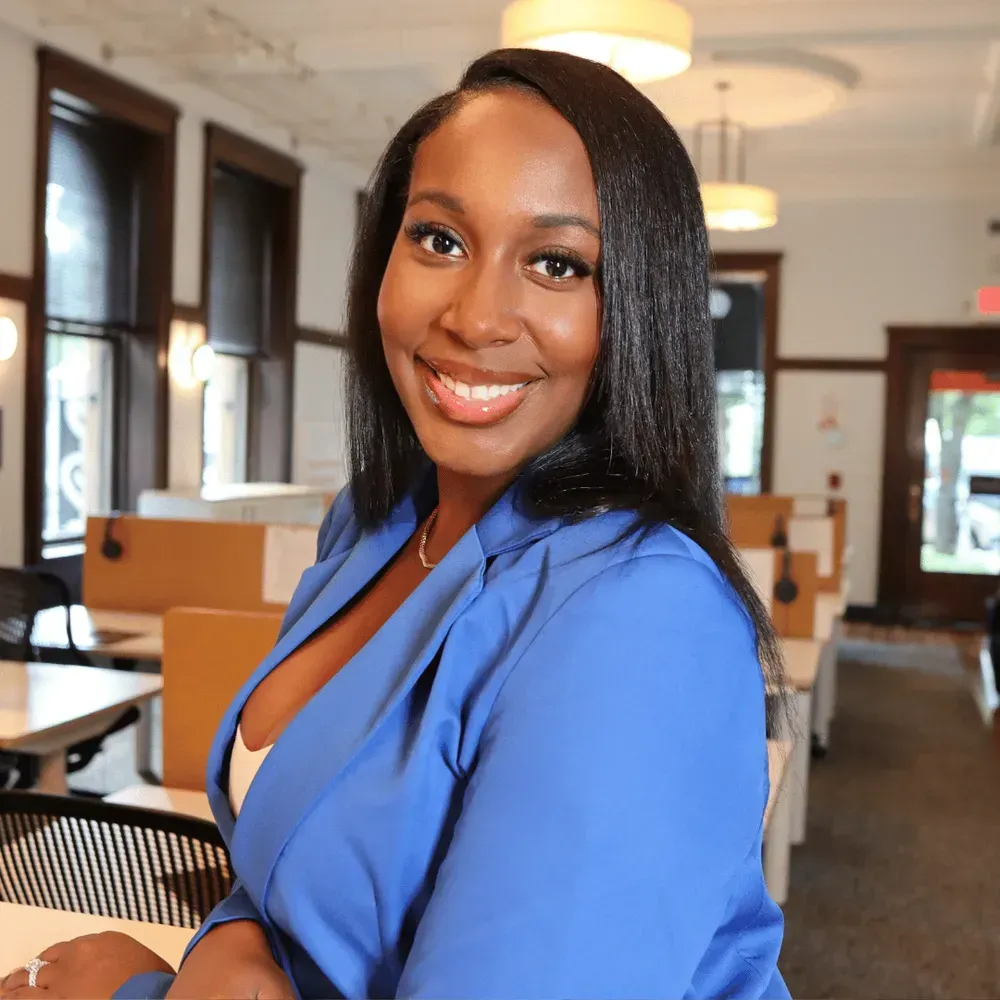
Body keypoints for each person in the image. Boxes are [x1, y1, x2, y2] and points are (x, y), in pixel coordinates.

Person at [1, 47, 790, 1000]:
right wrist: (237, 953)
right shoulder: (376, 526)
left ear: (636, 311)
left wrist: (134, 994)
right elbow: (288, 866)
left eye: (556, 262)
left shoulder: (641, 622)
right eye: (441, 241)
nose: (476, 316)